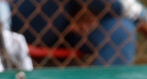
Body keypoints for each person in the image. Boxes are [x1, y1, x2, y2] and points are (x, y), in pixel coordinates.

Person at [11, 0, 147, 65]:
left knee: (120, 30)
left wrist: (85, 8)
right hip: (22, 17)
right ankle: (134, 11)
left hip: (74, 16)